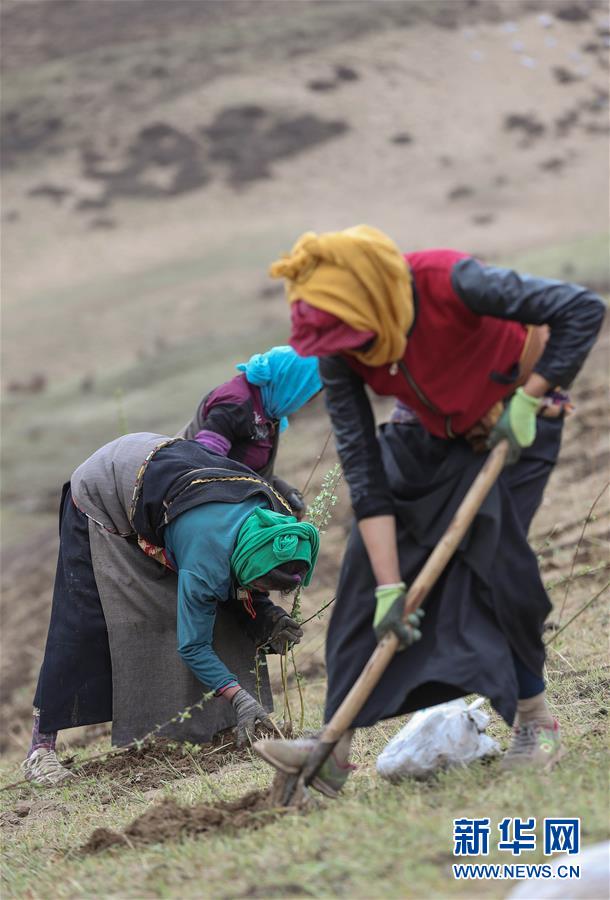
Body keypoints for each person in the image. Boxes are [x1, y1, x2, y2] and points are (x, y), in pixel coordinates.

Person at [254, 225, 605, 797]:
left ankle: (535, 721)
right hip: (431, 429)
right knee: (367, 571)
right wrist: (392, 587)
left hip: (515, 422)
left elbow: (580, 309)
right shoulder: (339, 354)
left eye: (356, 340)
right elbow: (365, 471)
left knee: (495, 560)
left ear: (376, 301)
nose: (351, 354)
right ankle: (333, 748)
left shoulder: (448, 281)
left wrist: (530, 396)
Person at [23, 432, 319, 786]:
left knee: (215, 609)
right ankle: (39, 750)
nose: (258, 591)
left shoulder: (273, 519)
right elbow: (192, 646)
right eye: (261, 586)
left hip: (165, 481)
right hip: (103, 489)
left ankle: (220, 729)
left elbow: (245, 580)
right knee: (89, 624)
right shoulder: (207, 560)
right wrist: (240, 697)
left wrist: (267, 618)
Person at [178, 345, 322, 518]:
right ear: (292, 385)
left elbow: (240, 465)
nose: (306, 402)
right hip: (204, 513)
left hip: (233, 507)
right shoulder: (234, 406)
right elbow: (203, 468)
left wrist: (280, 490)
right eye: (307, 394)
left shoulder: (269, 407)